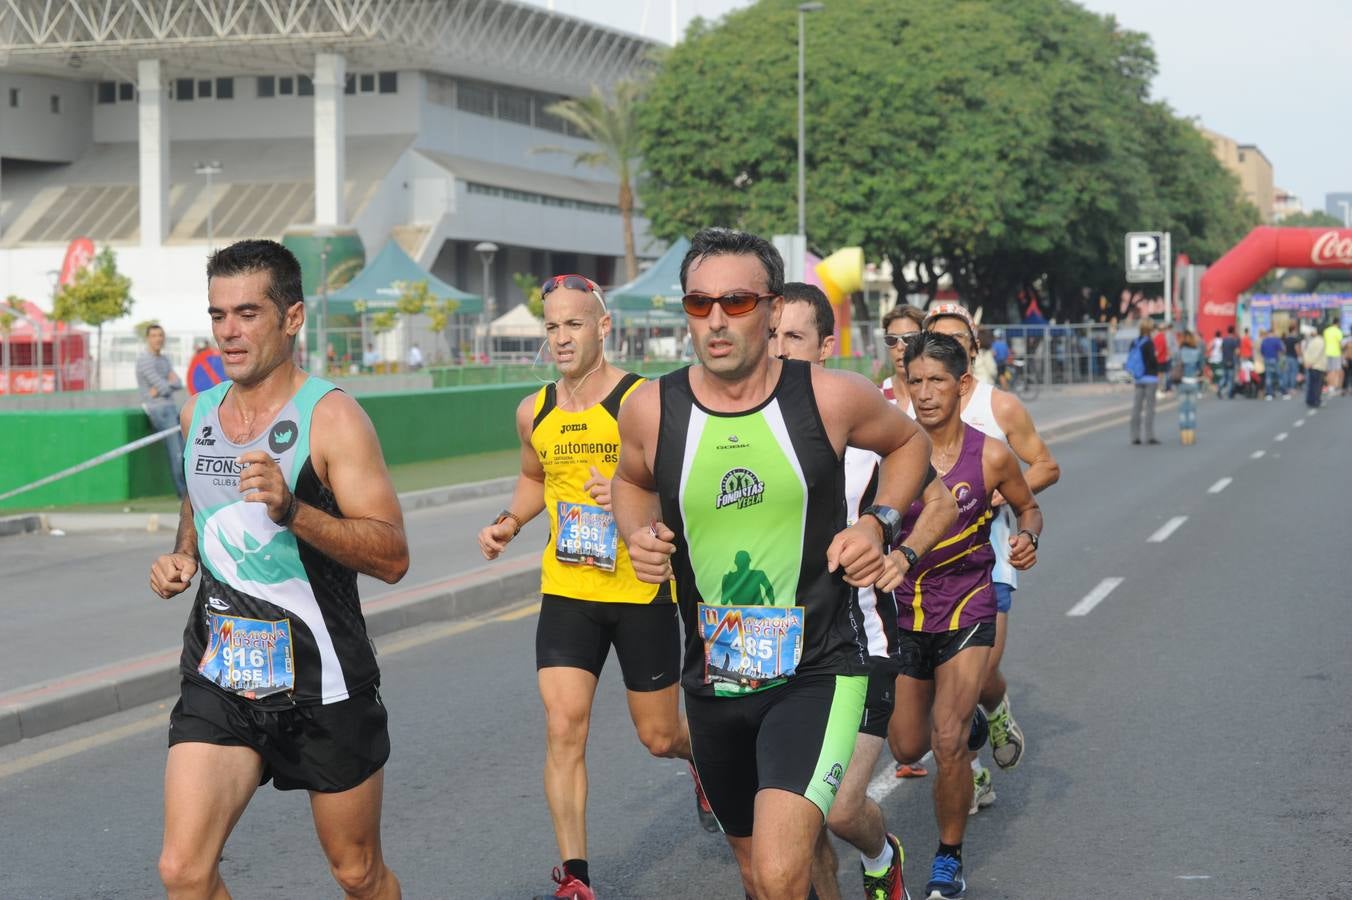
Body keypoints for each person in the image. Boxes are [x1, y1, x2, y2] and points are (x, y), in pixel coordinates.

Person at [611, 228, 934, 900]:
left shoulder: (827, 397)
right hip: (715, 674)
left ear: (768, 306)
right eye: (699, 305)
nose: (717, 320)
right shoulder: (651, 407)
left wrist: (880, 523)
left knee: (785, 871)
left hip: (819, 665)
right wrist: (637, 531)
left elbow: (909, 444)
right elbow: (630, 479)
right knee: (760, 876)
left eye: (735, 301)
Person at [148, 240, 408, 899]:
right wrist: (185, 554)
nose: (229, 333)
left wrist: (294, 510)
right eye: (218, 316)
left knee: (357, 872)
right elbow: (197, 500)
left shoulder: (333, 417)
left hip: (322, 676)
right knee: (183, 870)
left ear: (292, 318)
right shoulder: (197, 413)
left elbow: (392, 555)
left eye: (247, 313)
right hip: (223, 672)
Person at [476, 273, 702, 900]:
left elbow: (685, 484)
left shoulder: (642, 400)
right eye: (551, 327)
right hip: (569, 590)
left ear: (603, 327)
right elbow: (532, 476)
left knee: (659, 736)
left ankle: (701, 761)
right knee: (562, 725)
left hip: (640, 591)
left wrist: (637, 493)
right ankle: (576, 875)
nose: (561, 338)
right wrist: (509, 521)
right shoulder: (535, 410)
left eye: (574, 324)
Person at [772, 283, 959, 900]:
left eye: (793, 337)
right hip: (771, 650)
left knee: (841, 808)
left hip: (860, 644)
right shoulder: (739, 427)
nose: (778, 349)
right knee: (800, 823)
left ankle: (882, 854)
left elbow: (938, 504)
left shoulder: (859, 428)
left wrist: (899, 550)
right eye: (771, 335)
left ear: (826, 345)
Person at [884, 331, 1042, 900]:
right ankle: (976, 723)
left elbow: (1028, 507)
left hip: (967, 607)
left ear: (963, 385)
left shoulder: (991, 455)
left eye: (937, 381)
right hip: (902, 614)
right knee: (906, 746)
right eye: (915, 381)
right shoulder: (888, 452)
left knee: (947, 742)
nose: (924, 394)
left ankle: (948, 860)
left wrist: (1026, 537)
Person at [925, 303, 1061, 814]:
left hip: (990, 556)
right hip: (924, 570)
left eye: (956, 341)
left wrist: (1005, 492)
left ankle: (993, 711)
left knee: (980, 672)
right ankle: (974, 771)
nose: (946, 348)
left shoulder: (998, 407)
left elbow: (1045, 464)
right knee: (943, 700)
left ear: (972, 351)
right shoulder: (913, 408)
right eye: (935, 339)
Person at [136, 324, 188, 499]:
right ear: (148, 339)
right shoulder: (144, 360)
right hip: (158, 410)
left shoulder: (164, 360)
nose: (158, 339)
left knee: (186, 451)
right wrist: (165, 386)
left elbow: (178, 383)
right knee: (176, 453)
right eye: (154, 335)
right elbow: (164, 386)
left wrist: (164, 386)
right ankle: (183, 493)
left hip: (172, 408)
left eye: (161, 335)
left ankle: (189, 492)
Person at [881, 304, 927, 414]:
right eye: (891, 340)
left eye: (910, 338)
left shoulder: (940, 395)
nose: (900, 347)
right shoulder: (876, 397)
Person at [1128, 319, 1161, 444]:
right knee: (1149, 408)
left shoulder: (1135, 342)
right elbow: (1152, 360)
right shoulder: (1149, 343)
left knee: (1136, 407)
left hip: (1138, 378)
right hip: (1150, 378)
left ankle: (1135, 436)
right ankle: (1149, 435)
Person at [1177, 331, 1203, 445]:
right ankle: (1191, 436)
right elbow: (1200, 367)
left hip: (1182, 382)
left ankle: (1184, 436)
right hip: (1193, 382)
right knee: (1191, 410)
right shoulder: (1197, 352)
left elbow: (1175, 365)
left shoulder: (1180, 352)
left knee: (1183, 410)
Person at [1303, 329, 1327, 409]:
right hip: (1318, 365)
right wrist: (1311, 362)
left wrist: (1306, 362)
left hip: (1311, 365)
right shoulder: (1321, 341)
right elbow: (1317, 354)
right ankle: (1316, 400)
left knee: (1311, 384)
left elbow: (1306, 352)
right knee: (1317, 385)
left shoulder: (1311, 341)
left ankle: (1310, 399)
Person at [1260, 330, 1283, 400]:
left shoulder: (1264, 341)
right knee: (1279, 376)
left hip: (1267, 359)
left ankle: (1269, 394)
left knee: (1268, 377)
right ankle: (1283, 392)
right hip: (1274, 359)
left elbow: (1262, 351)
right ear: (1273, 333)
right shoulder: (1276, 340)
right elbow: (1281, 349)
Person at [1322, 320, 1344, 394]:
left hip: (1326, 353)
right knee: (1335, 371)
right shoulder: (1338, 331)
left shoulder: (1326, 331)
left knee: (1328, 371)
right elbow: (1340, 343)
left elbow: (1324, 342)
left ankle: (1329, 386)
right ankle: (1333, 387)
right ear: (1337, 323)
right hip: (1336, 353)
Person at [1281, 325, 1302, 398]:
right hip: (1293, 357)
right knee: (1293, 373)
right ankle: (1292, 388)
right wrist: (1300, 356)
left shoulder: (1286, 339)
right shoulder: (1295, 339)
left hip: (1287, 357)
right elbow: (1297, 348)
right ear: (1293, 330)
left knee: (1286, 373)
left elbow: (1284, 349)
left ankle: (1285, 388)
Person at [1219, 326, 1239, 399]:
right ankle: (1229, 394)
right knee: (1230, 379)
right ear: (1233, 331)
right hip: (1231, 361)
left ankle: (1220, 389)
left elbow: (1220, 349)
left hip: (1224, 360)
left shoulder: (1224, 340)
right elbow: (1237, 352)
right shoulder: (1234, 341)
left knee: (1224, 377)